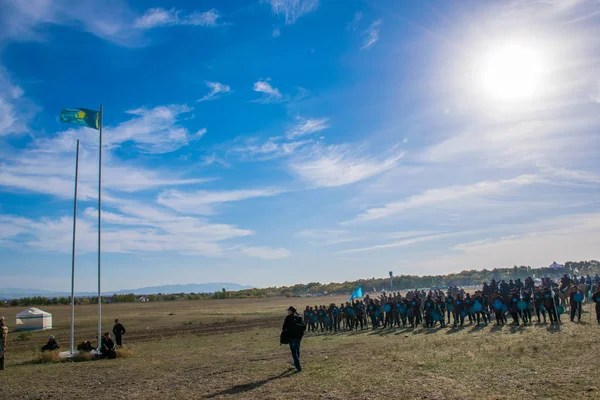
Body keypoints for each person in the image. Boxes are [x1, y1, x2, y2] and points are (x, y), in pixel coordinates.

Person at [281, 306, 305, 373]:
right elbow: (304, 326)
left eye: (289, 310)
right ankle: (296, 363)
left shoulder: (288, 318)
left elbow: (284, 327)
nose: (288, 311)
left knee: (294, 352)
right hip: (298, 337)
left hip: (291, 337)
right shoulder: (299, 317)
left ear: (291, 311)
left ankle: (298, 366)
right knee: (297, 350)